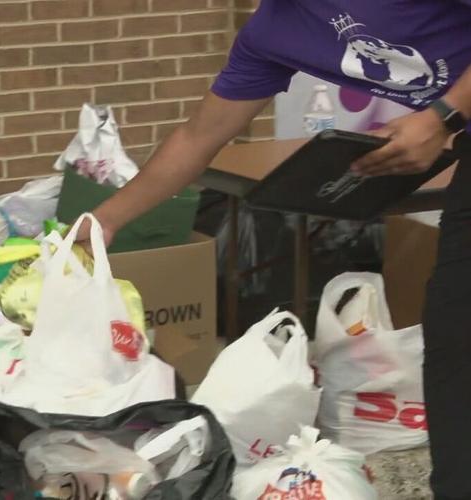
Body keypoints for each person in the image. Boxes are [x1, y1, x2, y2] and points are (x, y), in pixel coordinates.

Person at [76, 2, 471, 498]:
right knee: (456, 338)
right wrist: (103, 221)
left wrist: (443, 115)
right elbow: (199, 136)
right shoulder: (273, 31)